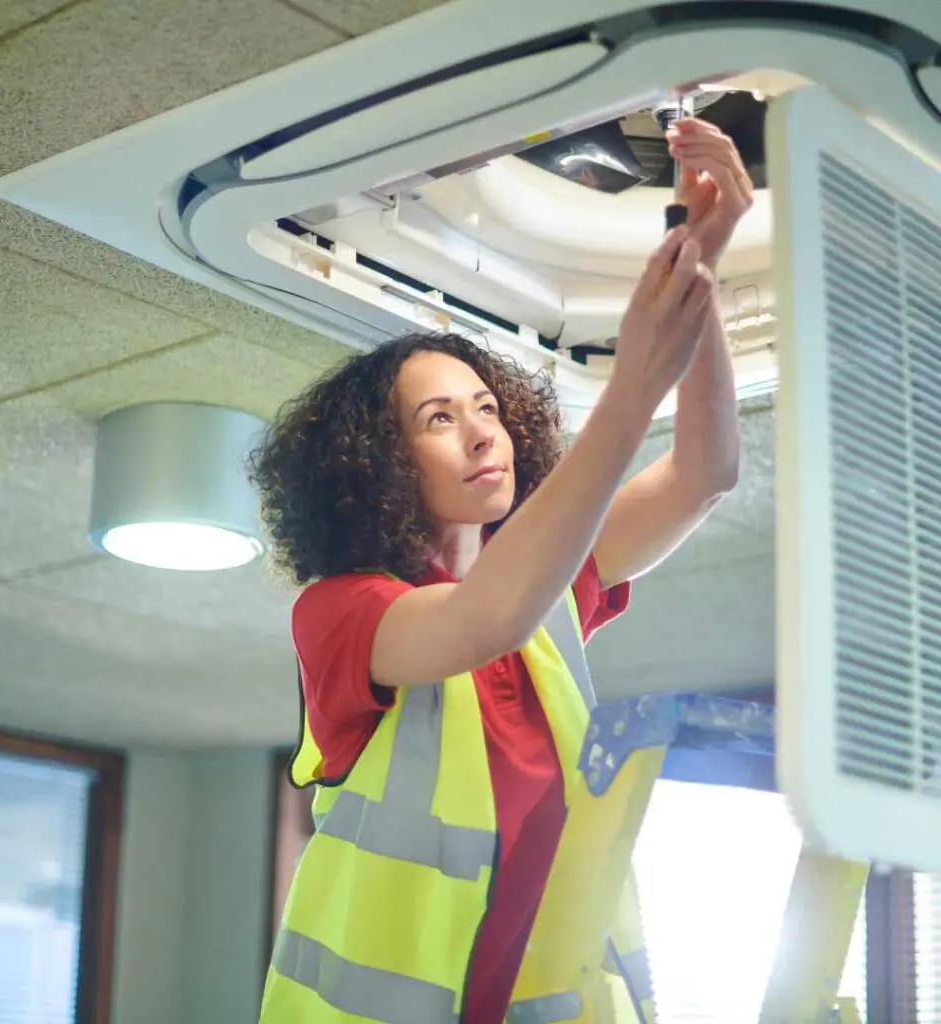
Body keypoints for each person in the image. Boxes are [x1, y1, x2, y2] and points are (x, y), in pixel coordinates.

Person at [252, 118, 751, 1023]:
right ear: (377, 461)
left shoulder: (546, 596)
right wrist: (634, 385)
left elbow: (704, 473)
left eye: (487, 407)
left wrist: (699, 274)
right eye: (439, 419)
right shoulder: (342, 613)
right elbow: (484, 618)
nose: (485, 431)